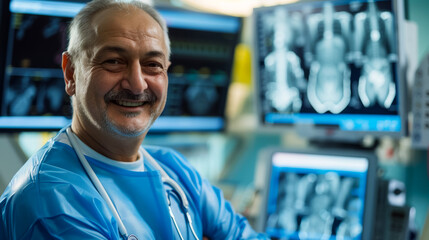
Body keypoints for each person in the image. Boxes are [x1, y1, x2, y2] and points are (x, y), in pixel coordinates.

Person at [0, 0, 268, 239]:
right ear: (70, 73)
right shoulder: (51, 200)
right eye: (114, 61)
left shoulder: (176, 172)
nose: (138, 85)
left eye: (153, 65)